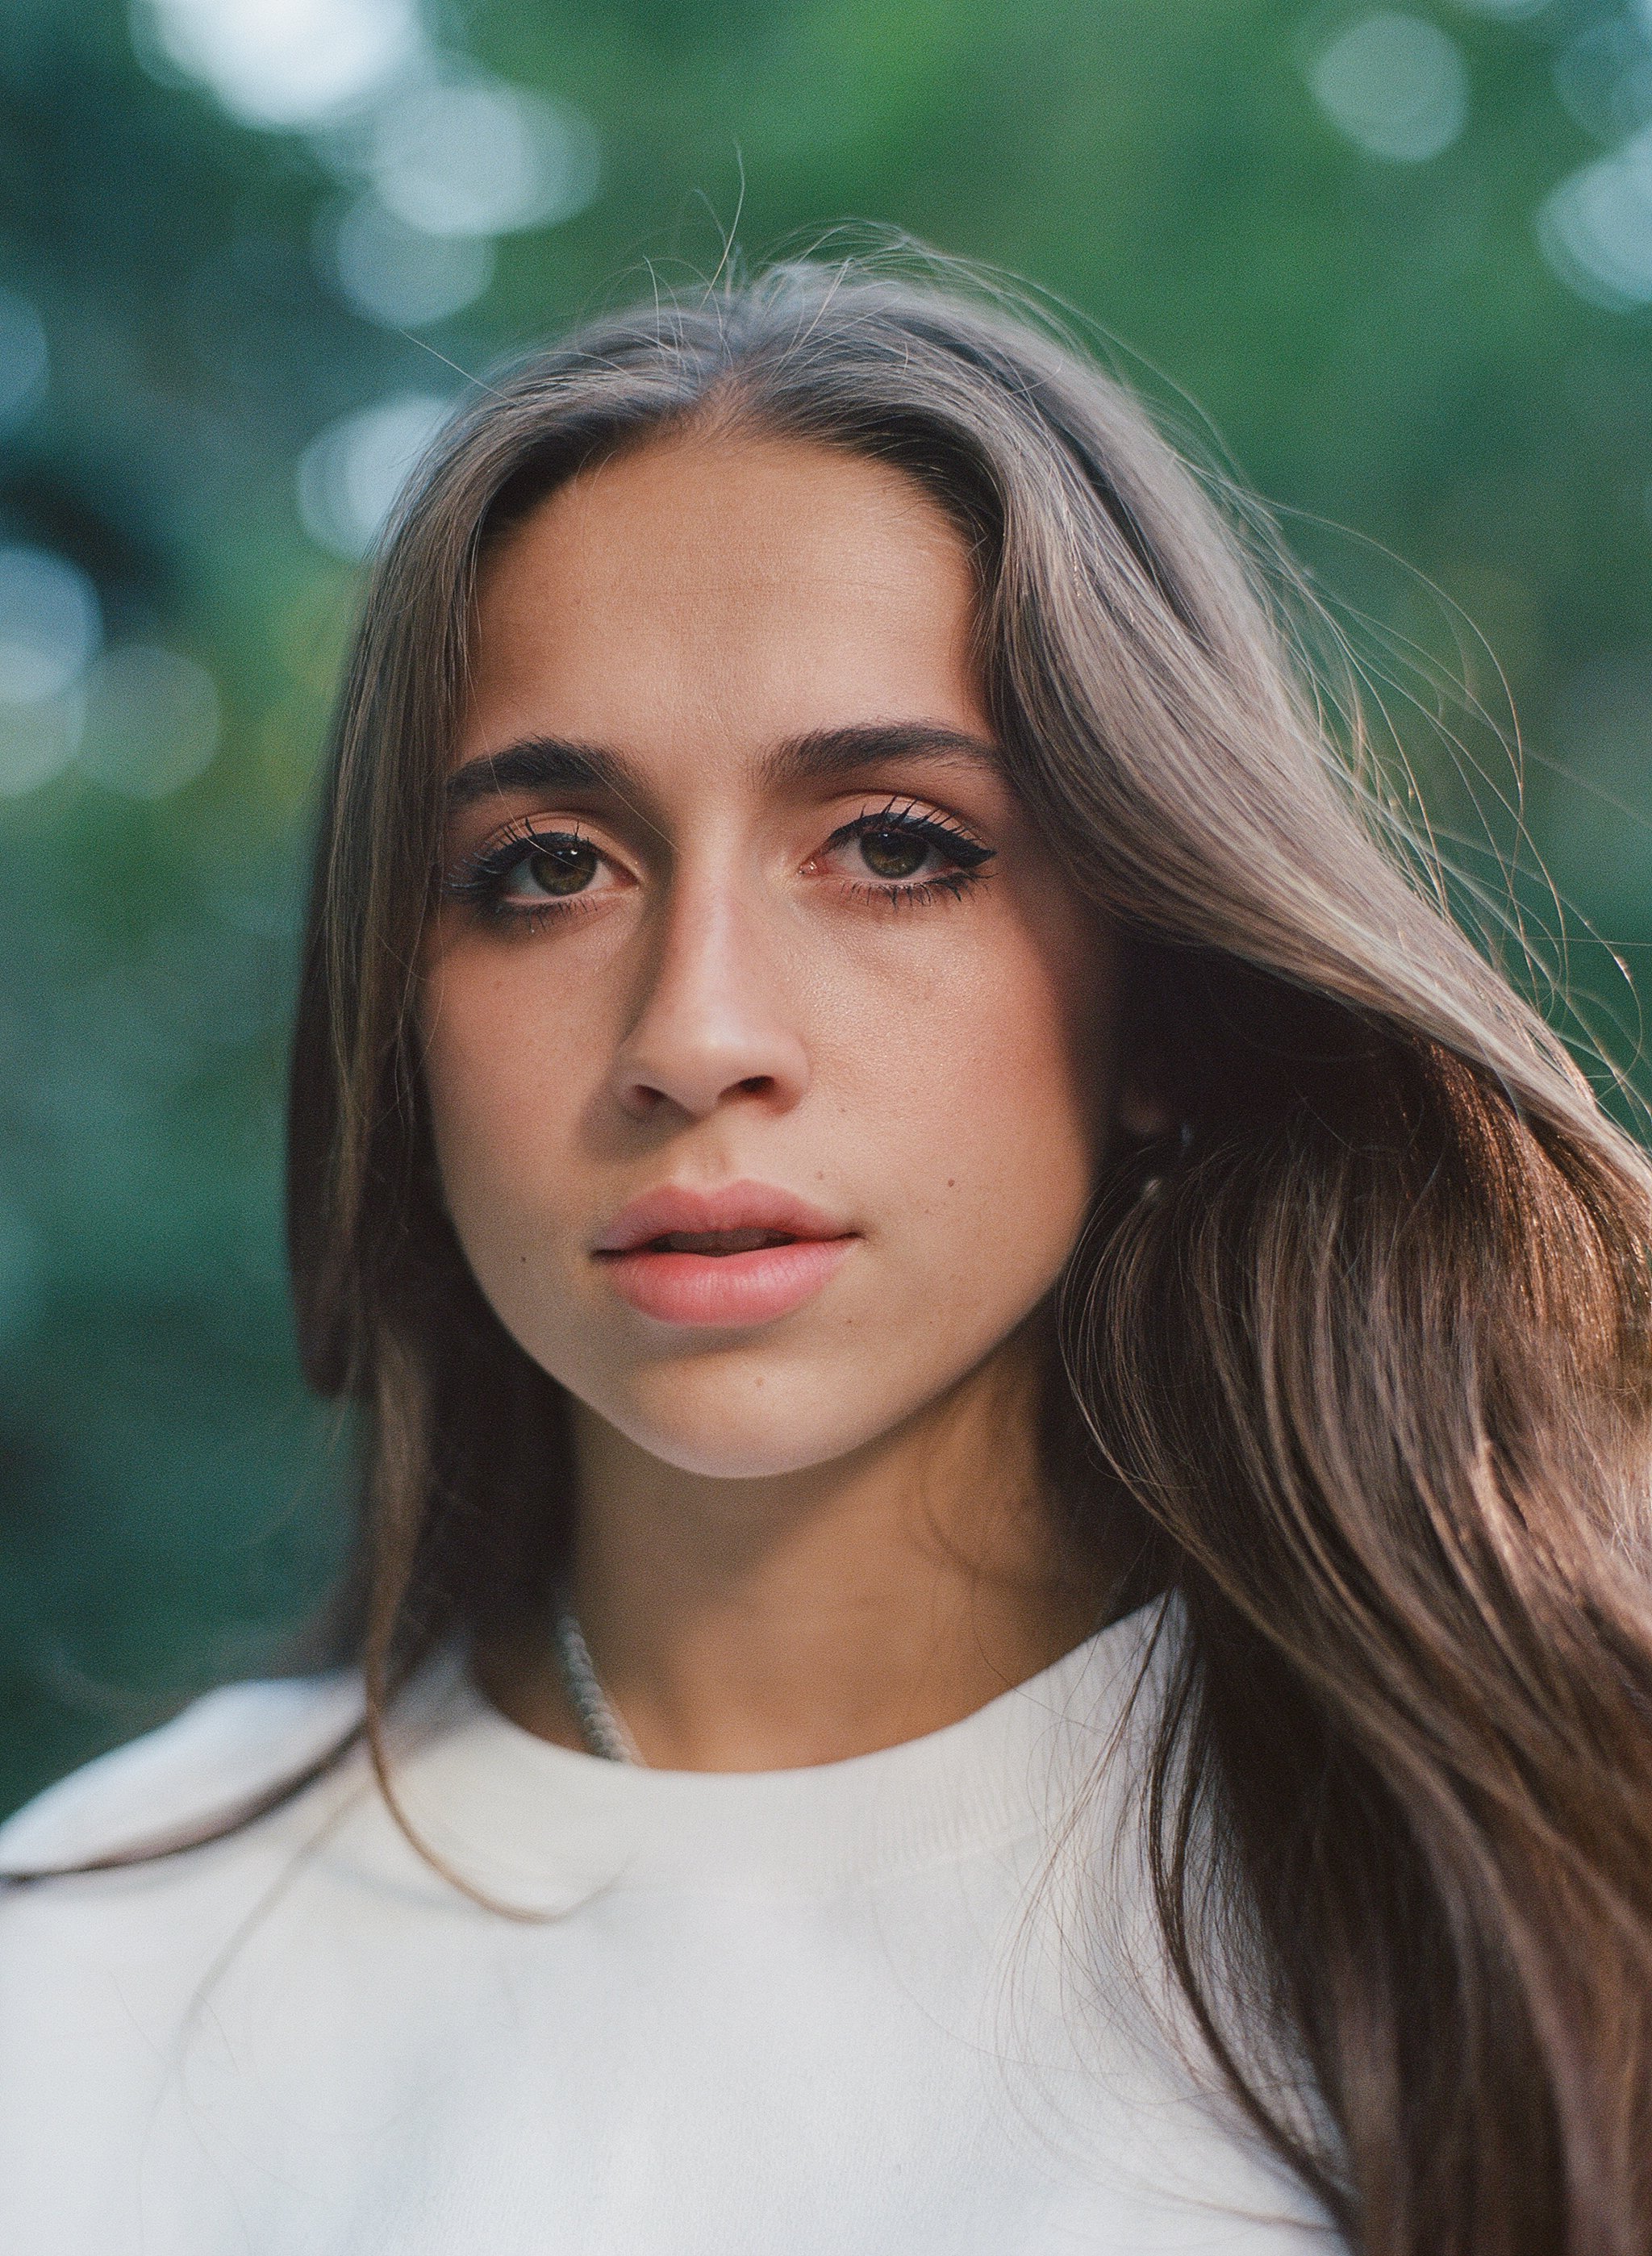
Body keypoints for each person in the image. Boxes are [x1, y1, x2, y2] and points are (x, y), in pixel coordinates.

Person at [2, 253, 1649, 2256]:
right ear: (395, 1011)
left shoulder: (1562, 1836)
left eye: (893, 845)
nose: (697, 1033)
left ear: (1155, 989)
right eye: (546, 869)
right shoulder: (86, 1992)